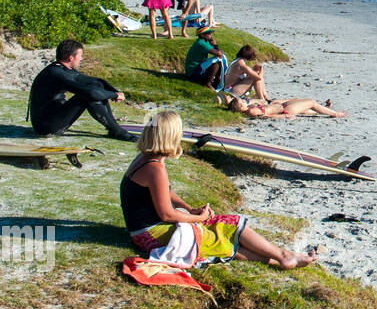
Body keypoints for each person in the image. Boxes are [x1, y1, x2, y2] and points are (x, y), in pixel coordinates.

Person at [123, 111, 317, 269]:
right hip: (150, 234)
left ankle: (281, 259)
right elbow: (166, 214)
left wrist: (190, 210)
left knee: (220, 233)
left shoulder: (145, 159)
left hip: (143, 230)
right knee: (225, 227)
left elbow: (165, 192)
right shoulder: (155, 168)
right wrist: (199, 219)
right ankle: (283, 256)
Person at [28, 40, 135, 141]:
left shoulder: (62, 69)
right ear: (71, 58)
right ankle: (117, 131)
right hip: (46, 127)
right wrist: (113, 95)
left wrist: (116, 92)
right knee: (87, 94)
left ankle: (114, 129)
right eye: (80, 56)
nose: (81, 58)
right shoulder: (56, 75)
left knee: (94, 87)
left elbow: (97, 82)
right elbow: (91, 93)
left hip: (55, 115)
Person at [224, 96, 346, 119]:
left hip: (281, 106)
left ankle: (324, 108)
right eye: (242, 102)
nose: (245, 101)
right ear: (240, 107)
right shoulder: (252, 111)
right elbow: (266, 116)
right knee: (311, 102)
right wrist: (284, 116)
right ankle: (335, 114)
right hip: (284, 110)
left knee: (303, 105)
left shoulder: (249, 108)